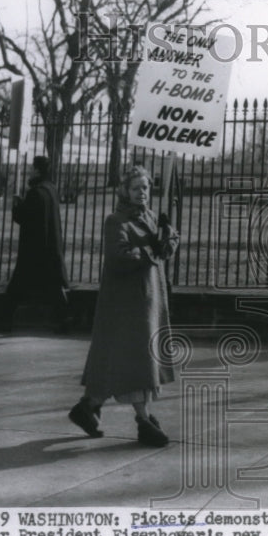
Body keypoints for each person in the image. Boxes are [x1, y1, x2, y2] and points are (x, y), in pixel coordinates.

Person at [68, 166, 179, 447]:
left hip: (149, 299)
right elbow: (119, 257)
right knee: (135, 361)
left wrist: (168, 238)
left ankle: (88, 407)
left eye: (145, 188)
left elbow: (164, 247)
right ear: (124, 192)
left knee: (122, 362)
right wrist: (150, 249)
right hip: (126, 303)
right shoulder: (115, 221)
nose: (141, 193)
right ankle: (143, 421)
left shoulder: (151, 217)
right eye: (135, 188)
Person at [0, 155, 71, 333]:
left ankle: (3, 321)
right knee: (54, 286)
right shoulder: (51, 189)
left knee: (16, 287)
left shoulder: (36, 192)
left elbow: (24, 218)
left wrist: (16, 205)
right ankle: (65, 318)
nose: (29, 170)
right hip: (49, 245)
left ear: (37, 170)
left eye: (32, 167)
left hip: (33, 248)